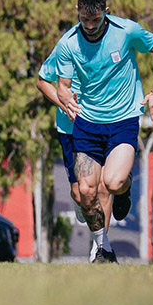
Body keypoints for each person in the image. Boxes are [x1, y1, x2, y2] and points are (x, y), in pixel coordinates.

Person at [56, 0, 153, 263]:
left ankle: (124, 190)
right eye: (84, 19)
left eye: (95, 19)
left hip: (123, 119)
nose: (89, 26)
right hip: (87, 124)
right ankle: (104, 249)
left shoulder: (126, 31)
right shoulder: (68, 44)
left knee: (113, 182)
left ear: (106, 12)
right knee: (86, 194)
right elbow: (62, 85)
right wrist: (65, 96)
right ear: (78, 11)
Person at [37, 44, 112, 261]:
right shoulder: (67, 46)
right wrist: (65, 103)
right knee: (80, 193)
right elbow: (42, 82)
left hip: (100, 126)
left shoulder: (111, 43)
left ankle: (100, 249)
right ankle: (90, 213)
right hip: (69, 129)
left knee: (103, 189)